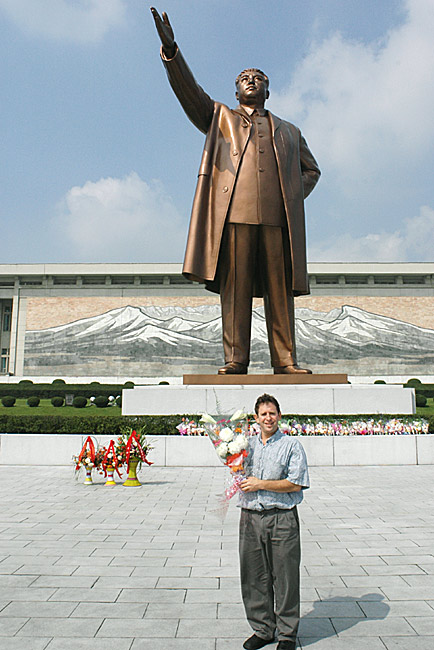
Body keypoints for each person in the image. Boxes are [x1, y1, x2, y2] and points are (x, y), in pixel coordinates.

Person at [151, 9, 320, 375]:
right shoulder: (220, 118)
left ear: (267, 90)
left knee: (280, 293)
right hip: (234, 215)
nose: (250, 81)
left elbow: (312, 170)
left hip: (277, 219)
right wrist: (172, 52)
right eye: (244, 78)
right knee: (236, 291)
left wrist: (290, 193)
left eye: (257, 78)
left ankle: (286, 360)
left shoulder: (289, 131)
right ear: (235, 89)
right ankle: (235, 359)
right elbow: (191, 94)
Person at [238, 393, 309, 650]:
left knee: (285, 576)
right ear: (255, 419)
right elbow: (238, 475)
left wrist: (261, 484)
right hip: (250, 517)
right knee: (254, 576)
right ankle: (263, 628)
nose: (268, 418)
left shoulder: (291, 446)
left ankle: (287, 634)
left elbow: (296, 483)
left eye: (272, 413)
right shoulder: (245, 445)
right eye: (263, 414)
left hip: (282, 518)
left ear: (279, 415)